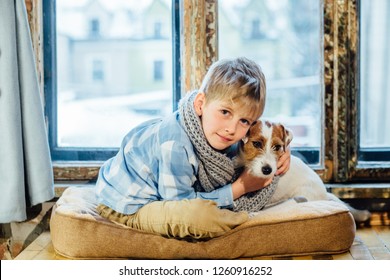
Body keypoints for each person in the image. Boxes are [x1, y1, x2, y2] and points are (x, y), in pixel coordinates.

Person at [95, 57, 291, 239]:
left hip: (164, 194)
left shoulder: (216, 131)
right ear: (200, 104)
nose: (231, 129)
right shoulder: (175, 145)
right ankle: (244, 222)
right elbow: (180, 206)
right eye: (225, 112)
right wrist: (239, 188)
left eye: (244, 120)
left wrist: (280, 153)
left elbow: (265, 135)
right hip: (127, 205)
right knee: (200, 216)